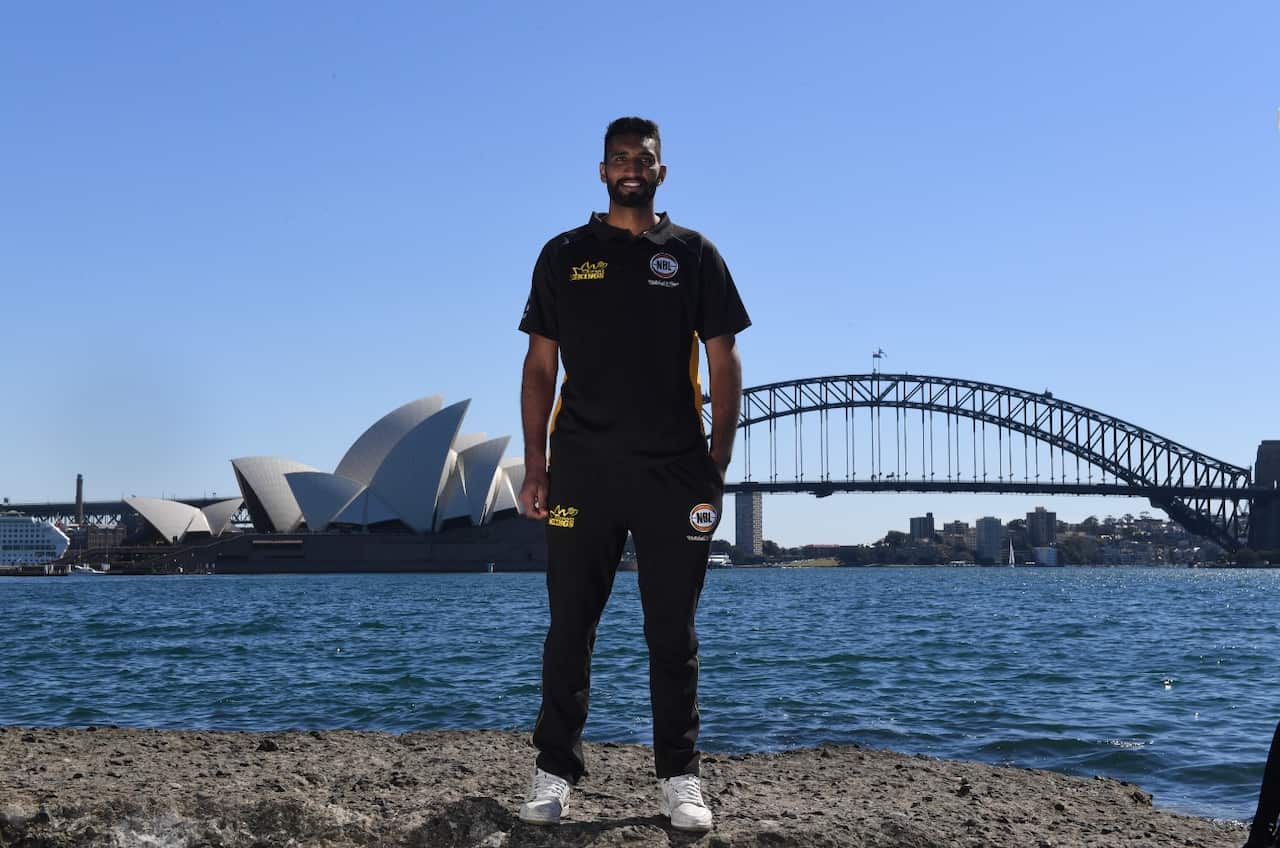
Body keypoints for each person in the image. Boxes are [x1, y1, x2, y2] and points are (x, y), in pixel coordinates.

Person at [515, 116, 749, 832]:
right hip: (581, 468)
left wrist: (718, 458)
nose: (631, 168)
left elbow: (723, 359)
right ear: (601, 169)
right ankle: (555, 769)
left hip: (675, 473)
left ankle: (680, 778)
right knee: (569, 627)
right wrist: (535, 466)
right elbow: (540, 368)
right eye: (620, 158)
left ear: (661, 171)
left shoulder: (693, 253)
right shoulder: (562, 254)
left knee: (671, 632)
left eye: (643, 158)